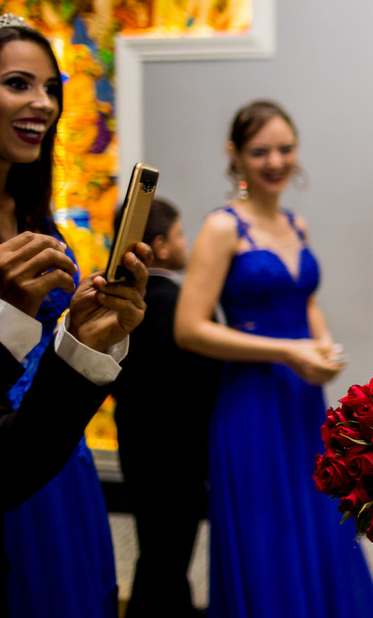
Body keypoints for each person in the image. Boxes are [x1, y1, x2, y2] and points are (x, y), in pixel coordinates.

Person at [174, 100, 373, 618]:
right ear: (235, 155)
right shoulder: (222, 227)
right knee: (267, 534)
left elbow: (302, 298)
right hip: (250, 403)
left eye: (285, 149)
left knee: (318, 524)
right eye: (260, 151)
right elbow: (189, 327)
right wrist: (287, 351)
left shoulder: (296, 224)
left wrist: (323, 342)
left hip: (303, 399)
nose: (275, 162)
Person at [0, 14, 150, 618]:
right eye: (18, 83)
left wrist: (87, 333)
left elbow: (57, 347)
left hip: (55, 442)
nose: (43, 103)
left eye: (52, 88)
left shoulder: (35, 216)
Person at [111, 198, 221, 618]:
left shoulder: (121, 302)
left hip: (135, 441)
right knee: (169, 556)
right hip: (179, 452)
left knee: (156, 551)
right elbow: (206, 380)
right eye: (179, 235)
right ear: (159, 245)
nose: (185, 243)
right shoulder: (181, 306)